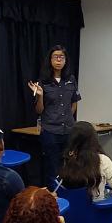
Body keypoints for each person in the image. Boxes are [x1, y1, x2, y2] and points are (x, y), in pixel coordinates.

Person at [27, 45, 79, 185]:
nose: (58, 60)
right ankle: (54, 201)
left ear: (65, 60)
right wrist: (40, 96)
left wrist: (68, 118)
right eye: (55, 57)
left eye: (61, 57)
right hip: (50, 132)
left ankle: (68, 199)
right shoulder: (43, 81)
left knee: (69, 168)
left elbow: (74, 102)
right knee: (52, 169)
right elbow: (39, 110)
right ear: (50, 60)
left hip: (68, 130)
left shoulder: (71, 79)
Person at [57, 120, 112, 201]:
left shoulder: (67, 158)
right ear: (94, 139)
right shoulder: (102, 161)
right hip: (97, 212)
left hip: (70, 212)